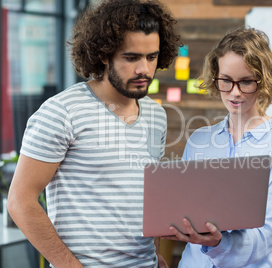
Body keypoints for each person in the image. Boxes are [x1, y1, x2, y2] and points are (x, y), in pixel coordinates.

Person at [7, 0, 180, 267]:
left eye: (151, 57)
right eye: (131, 57)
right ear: (103, 54)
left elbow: (146, 195)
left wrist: (155, 255)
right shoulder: (61, 111)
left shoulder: (157, 115)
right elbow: (20, 202)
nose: (144, 69)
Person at [162, 27, 272, 267]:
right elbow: (185, 214)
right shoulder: (199, 141)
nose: (235, 93)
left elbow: (268, 235)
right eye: (226, 81)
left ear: (264, 79)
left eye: (246, 82)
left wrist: (220, 243)